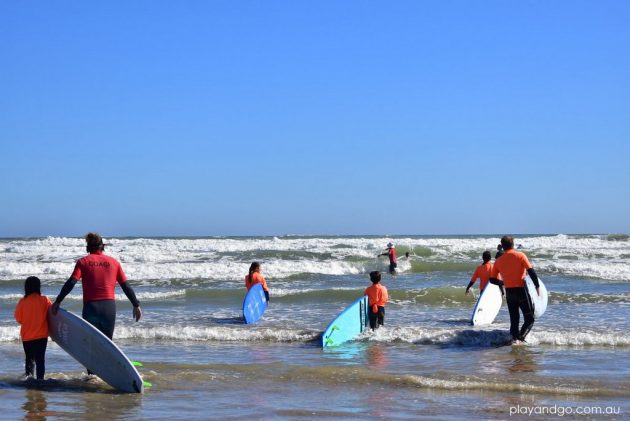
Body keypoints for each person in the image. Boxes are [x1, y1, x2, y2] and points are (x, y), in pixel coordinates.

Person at [52, 233, 142, 344]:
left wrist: (58, 301)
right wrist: (136, 305)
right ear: (102, 246)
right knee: (107, 345)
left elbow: (71, 282)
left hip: (91, 308)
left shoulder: (83, 262)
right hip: (108, 308)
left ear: (88, 247)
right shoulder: (114, 263)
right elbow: (125, 286)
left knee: (90, 344)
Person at [489, 235, 540, 345]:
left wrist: (502, 283)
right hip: (521, 291)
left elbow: (492, 279)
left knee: (514, 321)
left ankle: (514, 341)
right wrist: (537, 286)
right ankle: (520, 340)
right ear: (513, 244)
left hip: (509, 293)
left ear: (502, 246)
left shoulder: (498, 261)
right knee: (530, 319)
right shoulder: (520, 255)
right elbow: (531, 271)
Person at [14, 276, 52, 380]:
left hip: (27, 336)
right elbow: (52, 315)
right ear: (39, 287)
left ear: (26, 287)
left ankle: (29, 380)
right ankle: (40, 381)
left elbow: (18, 319)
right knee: (40, 360)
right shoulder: (45, 300)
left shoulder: (22, 302)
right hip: (41, 336)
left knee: (29, 359)